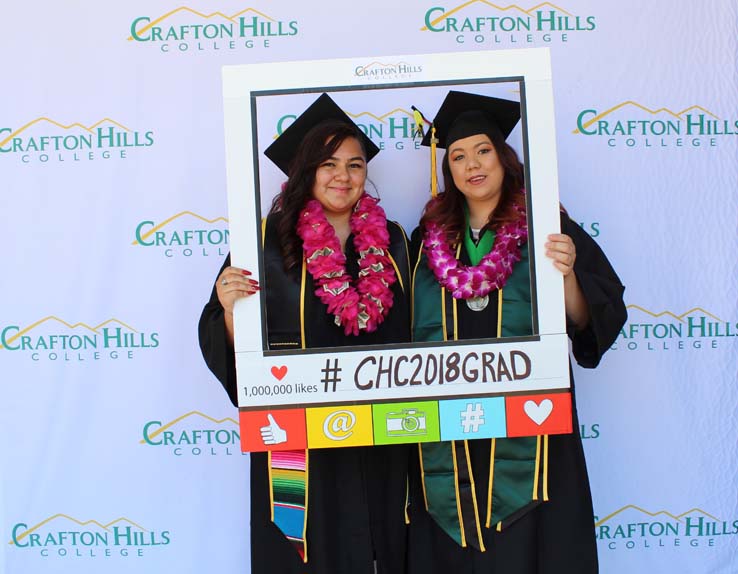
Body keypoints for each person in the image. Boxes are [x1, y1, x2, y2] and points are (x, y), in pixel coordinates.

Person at [407, 90, 627, 573]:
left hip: (532, 416)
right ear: (449, 170)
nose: (472, 165)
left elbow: (591, 319)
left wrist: (567, 273)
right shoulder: (427, 238)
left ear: (504, 158)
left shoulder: (545, 221)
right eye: (459, 156)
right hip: (450, 417)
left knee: (535, 540)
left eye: (483, 151)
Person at [198, 93, 411, 574]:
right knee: (305, 547)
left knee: (385, 537)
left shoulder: (394, 238)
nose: (344, 176)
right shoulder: (263, 243)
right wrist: (230, 309)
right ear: (304, 171)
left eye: (355, 165)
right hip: (300, 435)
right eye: (328, 163)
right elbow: (227, 342)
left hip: (382, 429)